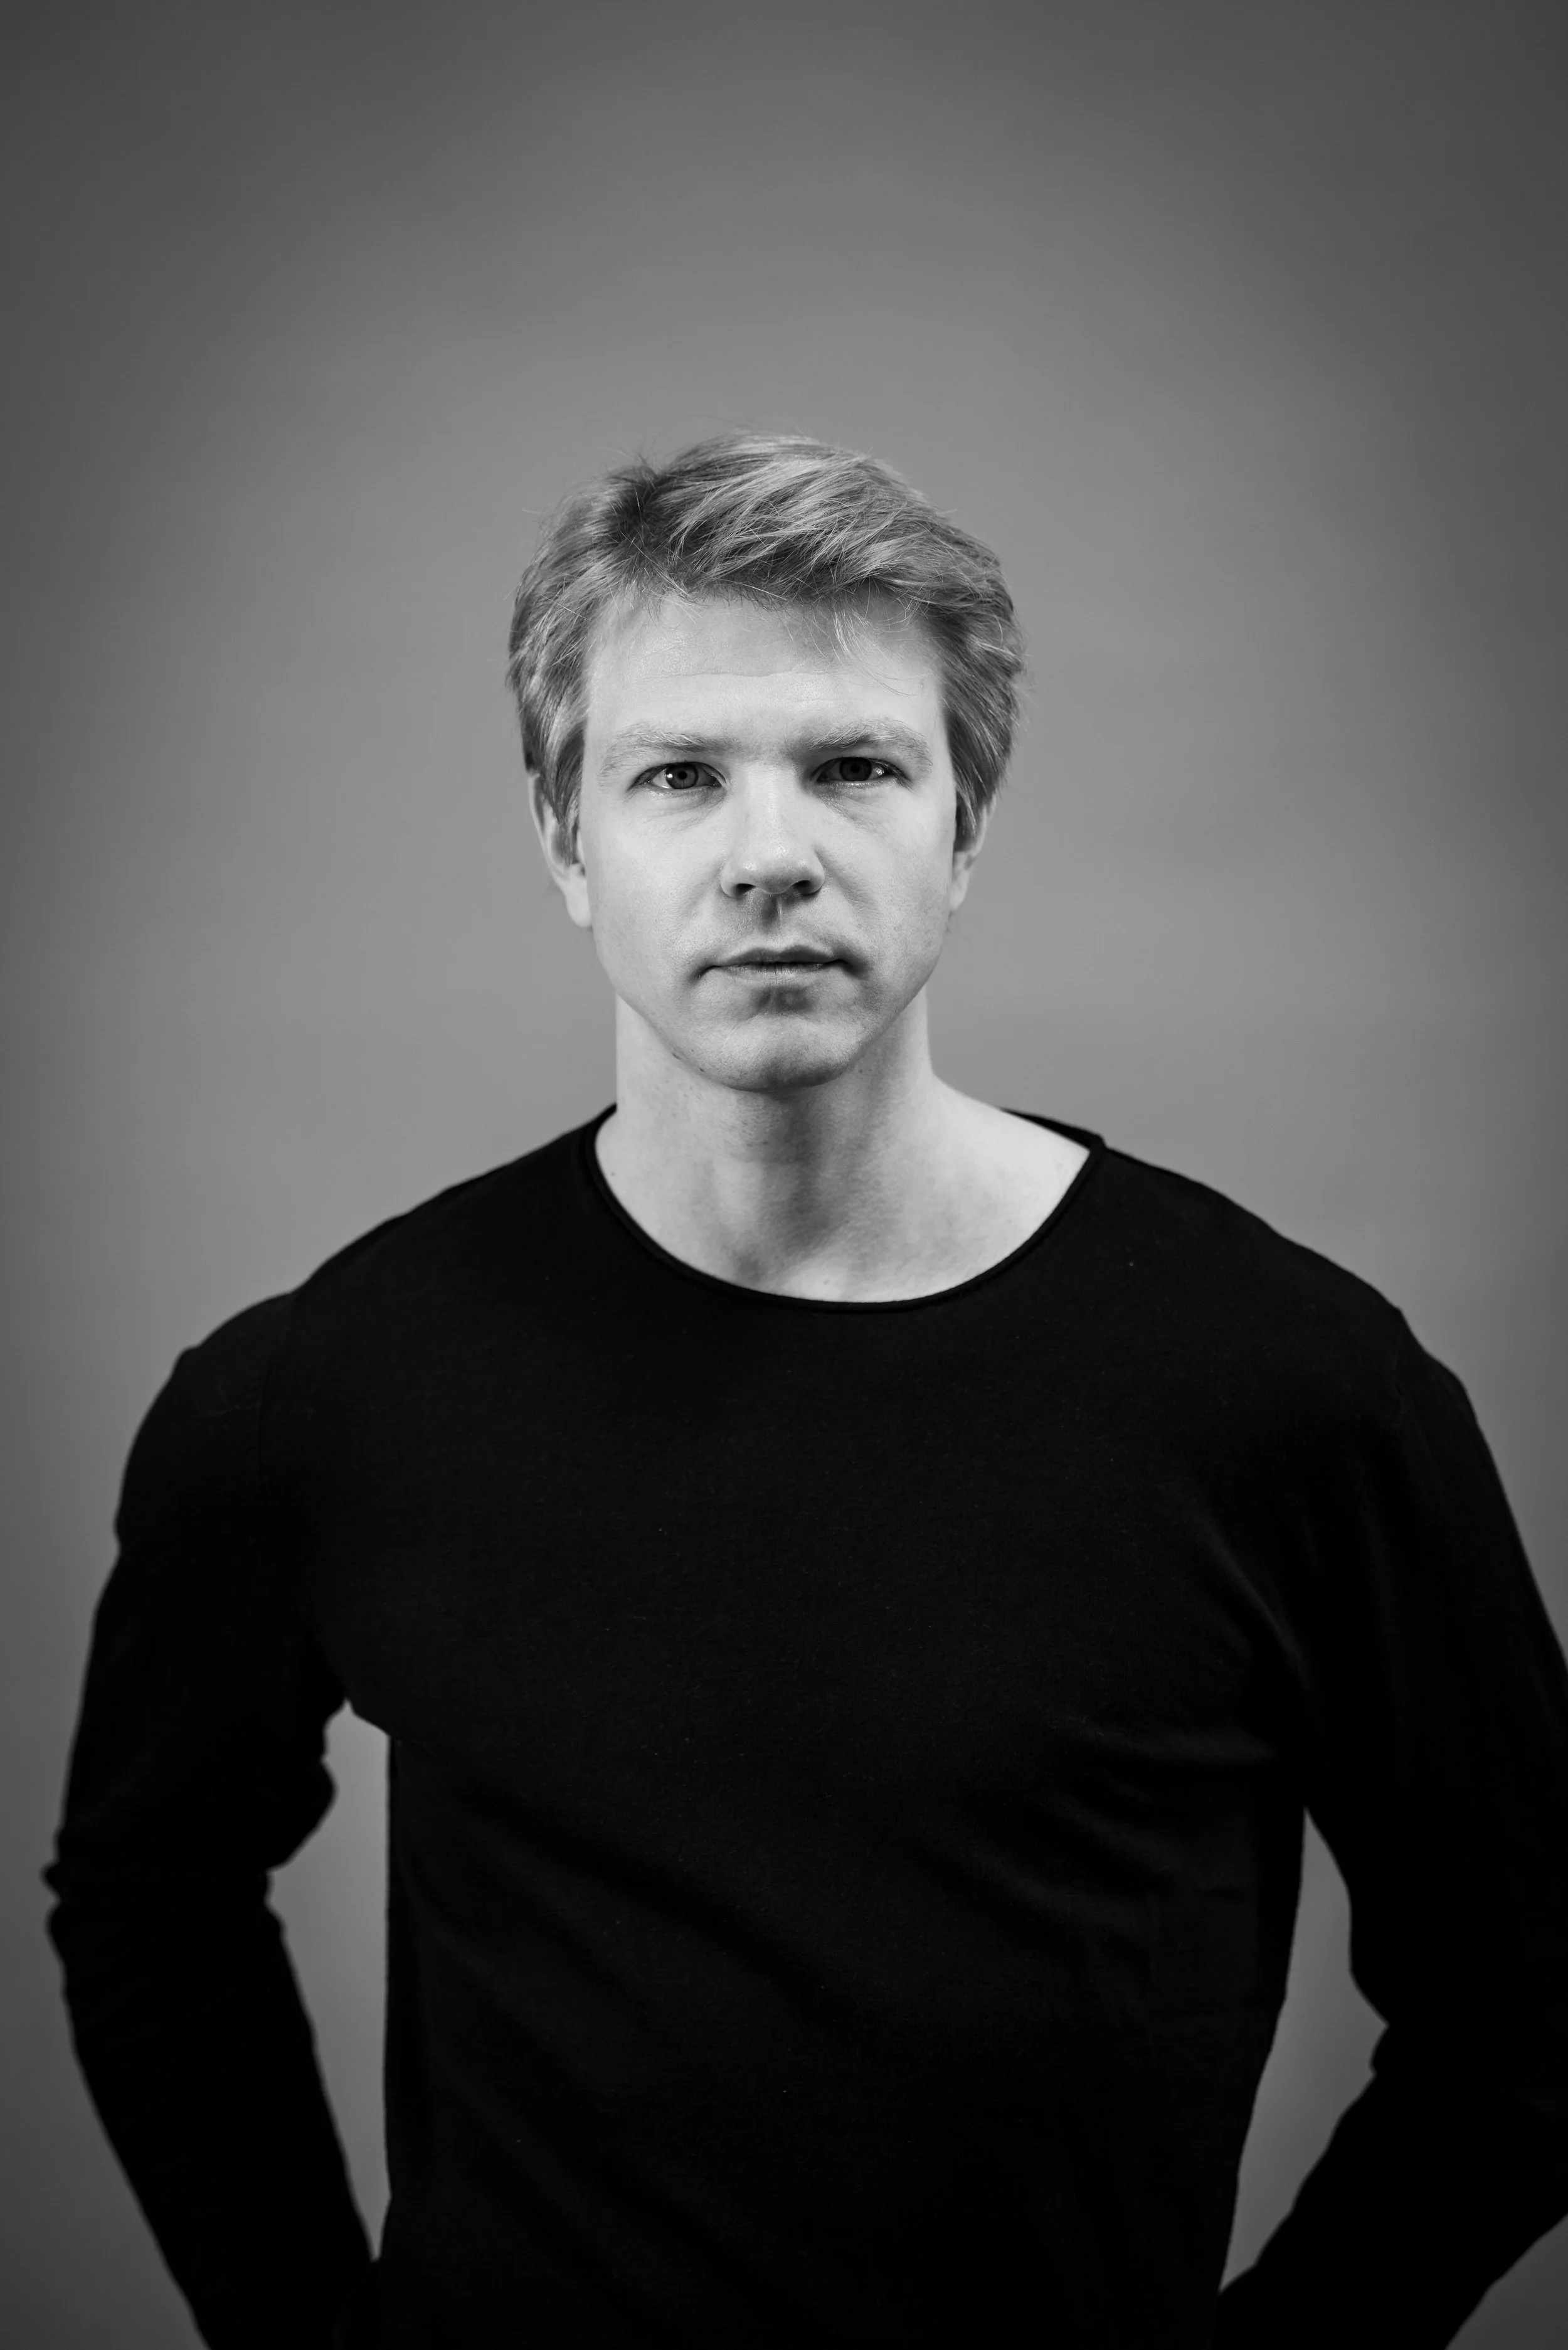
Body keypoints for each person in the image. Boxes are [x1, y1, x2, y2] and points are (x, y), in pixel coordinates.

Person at [46, 433, 1568, 2350]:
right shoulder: (323, 1392)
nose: (772, 853)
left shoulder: (1296, 1390)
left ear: (964, 830)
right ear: (563, 840)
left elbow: (1534, 2010)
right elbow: (147, 1895)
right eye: (675, 774)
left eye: (856, 767)